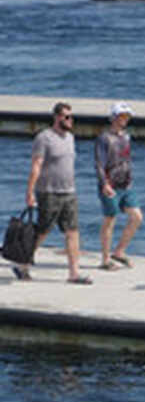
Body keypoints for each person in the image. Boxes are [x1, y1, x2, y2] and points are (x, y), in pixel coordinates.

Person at [13, 102, 89, 284]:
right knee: (43, 231)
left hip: (69, 191)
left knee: (72, 231)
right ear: (57, 117)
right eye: (66, 117)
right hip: (49, 192)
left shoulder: (70, 137)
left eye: (71, 117)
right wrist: (30, 192)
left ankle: (74, 273)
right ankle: (22, 264)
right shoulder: (44, 138)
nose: (70, 120)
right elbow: (36, 166)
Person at [94, 102, 143, 271]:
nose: (125, 119)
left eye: (127, 116)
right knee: (110, 219)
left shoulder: (126, 136)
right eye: (122, 116)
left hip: (126, 184)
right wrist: (104, 183)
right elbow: (99, 163)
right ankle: (105, 259)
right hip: (110, 185)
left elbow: (126, 159)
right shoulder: (104, 138)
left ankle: (119, 251)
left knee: (136, 217)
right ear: (114, 117)